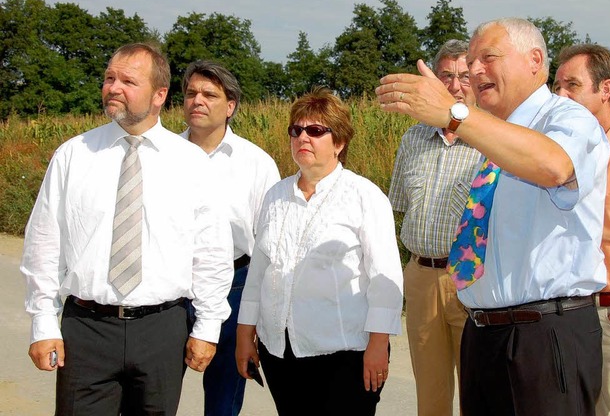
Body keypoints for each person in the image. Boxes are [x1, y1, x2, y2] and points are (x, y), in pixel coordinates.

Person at [376, 18, 609, 416]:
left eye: (487, 57)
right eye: (471, 60)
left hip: (544, 334)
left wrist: (454, 114)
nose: (475, 70)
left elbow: (553, 165)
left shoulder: (567, 119)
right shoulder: (492, 135)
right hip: (483, 333)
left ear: (535, 60)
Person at [20, 43, 234, 415]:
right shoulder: (74, 155)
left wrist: (206, 328)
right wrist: (43, 322)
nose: (113, 87)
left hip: (162, 331)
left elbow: (211, 253)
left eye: (128, 81)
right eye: (109, 78)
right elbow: (45, 244)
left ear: (159, 95)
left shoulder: (191, 164)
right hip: (86, 330)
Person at [235, 87, 404, 416]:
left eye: (315, 131)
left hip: (345, 353)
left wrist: (378, 345)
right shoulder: (275, 196)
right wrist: (245, 335)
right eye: (296, 131)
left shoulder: (364, 196)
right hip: (280, 352)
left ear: (339, 142)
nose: (303, 138)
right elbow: (258, 273)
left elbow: (385, 279)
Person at [180, 60, 280, 416]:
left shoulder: (256, 163)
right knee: (154, 394)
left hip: (235, 286)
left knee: (223, 400)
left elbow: (269, 242)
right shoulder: (163, 157)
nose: (198, 101)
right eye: (191, 93)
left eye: (209, 94)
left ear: (231, 106)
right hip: (171, 288)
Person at [388, 39, 479, 416]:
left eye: (464, 75)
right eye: (446, 76)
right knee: (430, 392)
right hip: (421, 276)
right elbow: (397, 206)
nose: (455, 85)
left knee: (478, 390)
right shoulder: (413, 138)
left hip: (472, 279)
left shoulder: (493, 141)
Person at [554, 43, 610, 416]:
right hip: (567, 320)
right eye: (556, 86)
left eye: (572, 85)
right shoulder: (556, 156)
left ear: (605, 90)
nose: (560, 95)